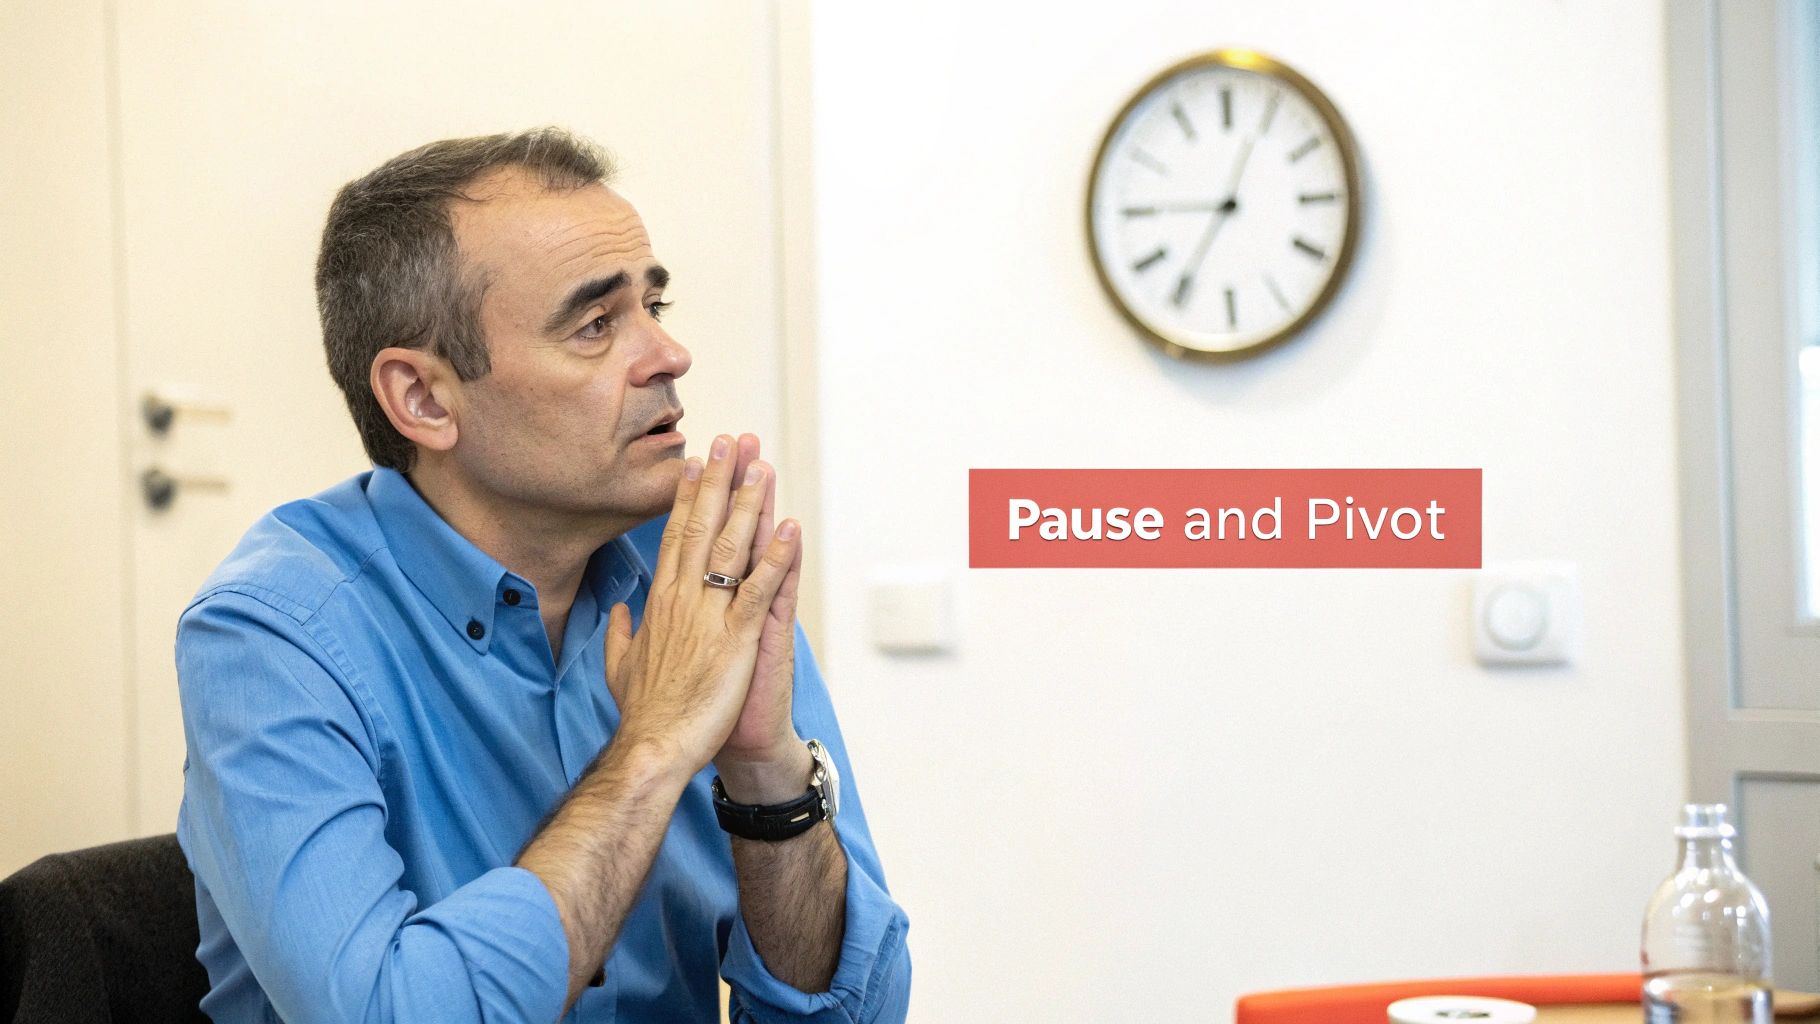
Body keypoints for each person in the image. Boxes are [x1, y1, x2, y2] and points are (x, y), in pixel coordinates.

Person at [173, 128, 911, 1024]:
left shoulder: (696, 577)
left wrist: (764, 773)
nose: (668, 357)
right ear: (424, 398)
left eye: (655, 306)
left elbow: (854, 1014)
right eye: (596, 325)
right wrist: (653, 748)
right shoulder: (270, 634)